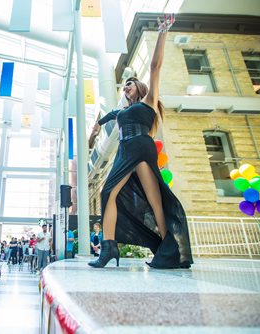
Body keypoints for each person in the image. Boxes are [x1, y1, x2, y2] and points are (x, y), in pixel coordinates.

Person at [88, 15, 193, 269]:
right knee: (119, 194)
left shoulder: (148, 102)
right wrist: (93, 131)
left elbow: (155, 66)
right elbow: (103, 121)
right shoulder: (121, 111)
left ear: (140, 88)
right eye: (124, 87)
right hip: (127, 149)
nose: (126, 88)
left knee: (144, 198)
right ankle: (116, 248)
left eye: (130, 85)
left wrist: (163, 31)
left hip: (140, 146)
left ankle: (165, 250)